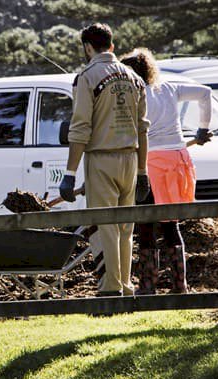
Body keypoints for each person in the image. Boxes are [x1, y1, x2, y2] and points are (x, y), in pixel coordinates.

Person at [59, 23, 150, 296]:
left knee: (105, 225)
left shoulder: (87, 77)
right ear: (112, 45)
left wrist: (70, 173)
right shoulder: (134, 77)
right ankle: (126, 284)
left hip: (101, 158)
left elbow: (80, 128)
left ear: (88, 47)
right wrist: (143, 171)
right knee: (126, 228)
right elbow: (143, 128)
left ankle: (110, 288)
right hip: (131, 159)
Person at [120, 48, 212, 295]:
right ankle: (180, 286)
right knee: (171, 225)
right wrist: (203, 129)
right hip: (177, 161)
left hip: (150, 164)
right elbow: (206, 93)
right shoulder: (170, 89)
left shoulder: (135, 95)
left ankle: (148, 286)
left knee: (146, 225)